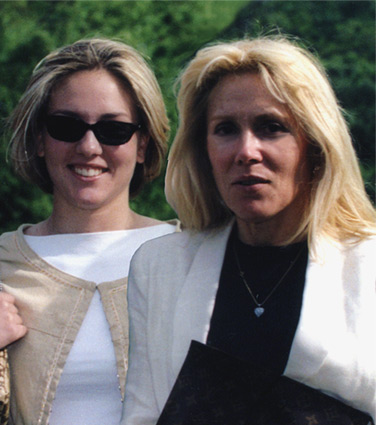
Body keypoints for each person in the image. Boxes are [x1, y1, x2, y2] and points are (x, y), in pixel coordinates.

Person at [0, 38, 180, 425]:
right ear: (38, 139)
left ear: (142, 145)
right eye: (66, 126)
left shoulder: (190, 256)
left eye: (113, 130)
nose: (89, 146)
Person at [121, 36, 376, 424]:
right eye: (225, 129)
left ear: (314, 143)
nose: (246, 151)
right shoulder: (159, 267)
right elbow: (142, 415)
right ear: (203, 150)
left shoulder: (367, 264)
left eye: (271, 127)